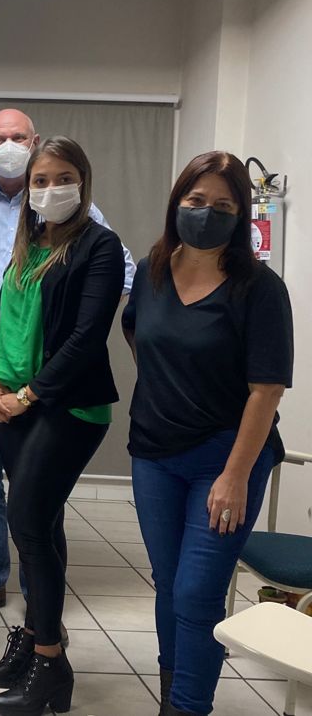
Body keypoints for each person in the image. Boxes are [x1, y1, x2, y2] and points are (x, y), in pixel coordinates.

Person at [0, 109, 136, 623]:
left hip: (52, 371)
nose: (8, 145)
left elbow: (121, 279)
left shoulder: (89, 226)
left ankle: (40, 606)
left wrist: (74, 315)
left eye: (18, 137)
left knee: (34, 498)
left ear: (32, 143)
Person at [123, 152, 292, 716]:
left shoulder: (259, 288)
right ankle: (172, 695)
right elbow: (138, 337)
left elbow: (266, 391)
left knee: (198, 590)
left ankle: (189, 706)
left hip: (226, 457)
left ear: (241, 215)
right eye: (196, 201)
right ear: (177, 203)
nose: (206, 212)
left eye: (223, 205)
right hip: (153, 454)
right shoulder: (151, 272)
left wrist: (236, 475)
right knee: (169, 582)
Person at [0, 137, 124, 716]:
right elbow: (8, 322)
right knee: (42, 524)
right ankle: (37, 639)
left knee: (27, 522)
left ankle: (49, 663)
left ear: (82, 182)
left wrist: (28, 395)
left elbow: (87, 338)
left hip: (67, 407)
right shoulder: (29, 241)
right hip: (13, 400)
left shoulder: (100, 246)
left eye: (62, 178)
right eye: (40, 180)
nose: (50, 189)